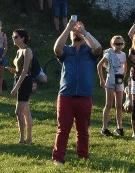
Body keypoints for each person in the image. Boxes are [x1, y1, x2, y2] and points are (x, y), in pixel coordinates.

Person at [52, 19, 103, 166]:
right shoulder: (66, 51)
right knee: (63, 128)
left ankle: (83, 156)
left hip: (84, 96)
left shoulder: (90, 51)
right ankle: (58, 159)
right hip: (66, 95)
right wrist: (68, 28)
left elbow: (98, 48)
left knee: (83, 129)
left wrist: (85, 32)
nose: (76, 33)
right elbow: (56, 49)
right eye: (74, 32)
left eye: (78, 31)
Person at [98, 35, 128, 136]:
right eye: (116, 44)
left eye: (120, 44)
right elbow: (99, 65)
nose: (118, 46)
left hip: (119, 81)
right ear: (112, 44)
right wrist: (102, 79)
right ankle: (104, 128)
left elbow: (125, 66)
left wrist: (123, 75)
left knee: (119, 105)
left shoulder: (123, 54)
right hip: (110, 79)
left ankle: (119, 127)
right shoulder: (109, 54)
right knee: (109, 104)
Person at [8, 29, 34, 145]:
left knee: (18, 111)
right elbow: (20, 70)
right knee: (25, 111)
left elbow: (25, 71)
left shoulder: (27, 51)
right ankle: (28, 138)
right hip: (19, 79)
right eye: (13, 37)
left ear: (23, 38)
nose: (14, 38)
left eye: (16, 37)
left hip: (24, 81)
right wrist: (14, 71)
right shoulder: (19, 51)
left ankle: (22, 138)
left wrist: (16, 87)